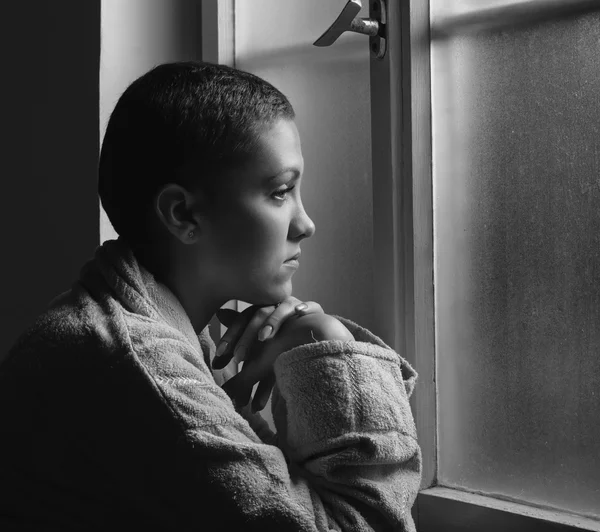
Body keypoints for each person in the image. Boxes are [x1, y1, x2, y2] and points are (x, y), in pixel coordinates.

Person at [0, 61, 421, 531]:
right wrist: (326, 343)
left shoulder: (136, 331)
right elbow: (363, 524)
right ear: (182, 214)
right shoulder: (138, 368)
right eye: (281, 192)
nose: (306, 224)